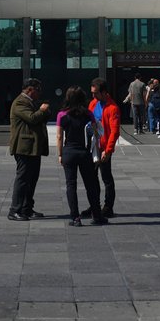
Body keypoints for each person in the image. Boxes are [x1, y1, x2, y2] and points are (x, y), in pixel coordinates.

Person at [56, 86, 106, 226]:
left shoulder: (62, 115)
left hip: (69, 152)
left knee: (71, 185)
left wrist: (60, 154)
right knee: (90, 185)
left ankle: (75, 217)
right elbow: (95, 136)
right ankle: (96, 215)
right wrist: (96, 155)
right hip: (85, 153)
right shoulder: (88, 114)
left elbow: (60, 136)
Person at [8, 78, 51, 220]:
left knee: (31, 179)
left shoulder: (30, 102)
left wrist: (44, 113)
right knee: (23, 178)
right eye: (38, 89)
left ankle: (27, 208)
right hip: (24, 147)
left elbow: (37, 119)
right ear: (29, 89)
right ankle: (15, 210)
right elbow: (32, 118)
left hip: (33, 147)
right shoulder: (20, 102)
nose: (40, 92)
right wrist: (43, 110)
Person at [85, 77, 120, 218]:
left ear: (104, 92)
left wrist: (108, 150)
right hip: (93, 146)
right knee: (92, 178)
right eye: (92, 93)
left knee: (106, 177)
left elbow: (114, 131)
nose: (93, 96)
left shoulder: (113, 108)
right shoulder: (93, 104)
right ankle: (95, 205)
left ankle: (108, 206)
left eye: (96, 93)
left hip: (103, 147)